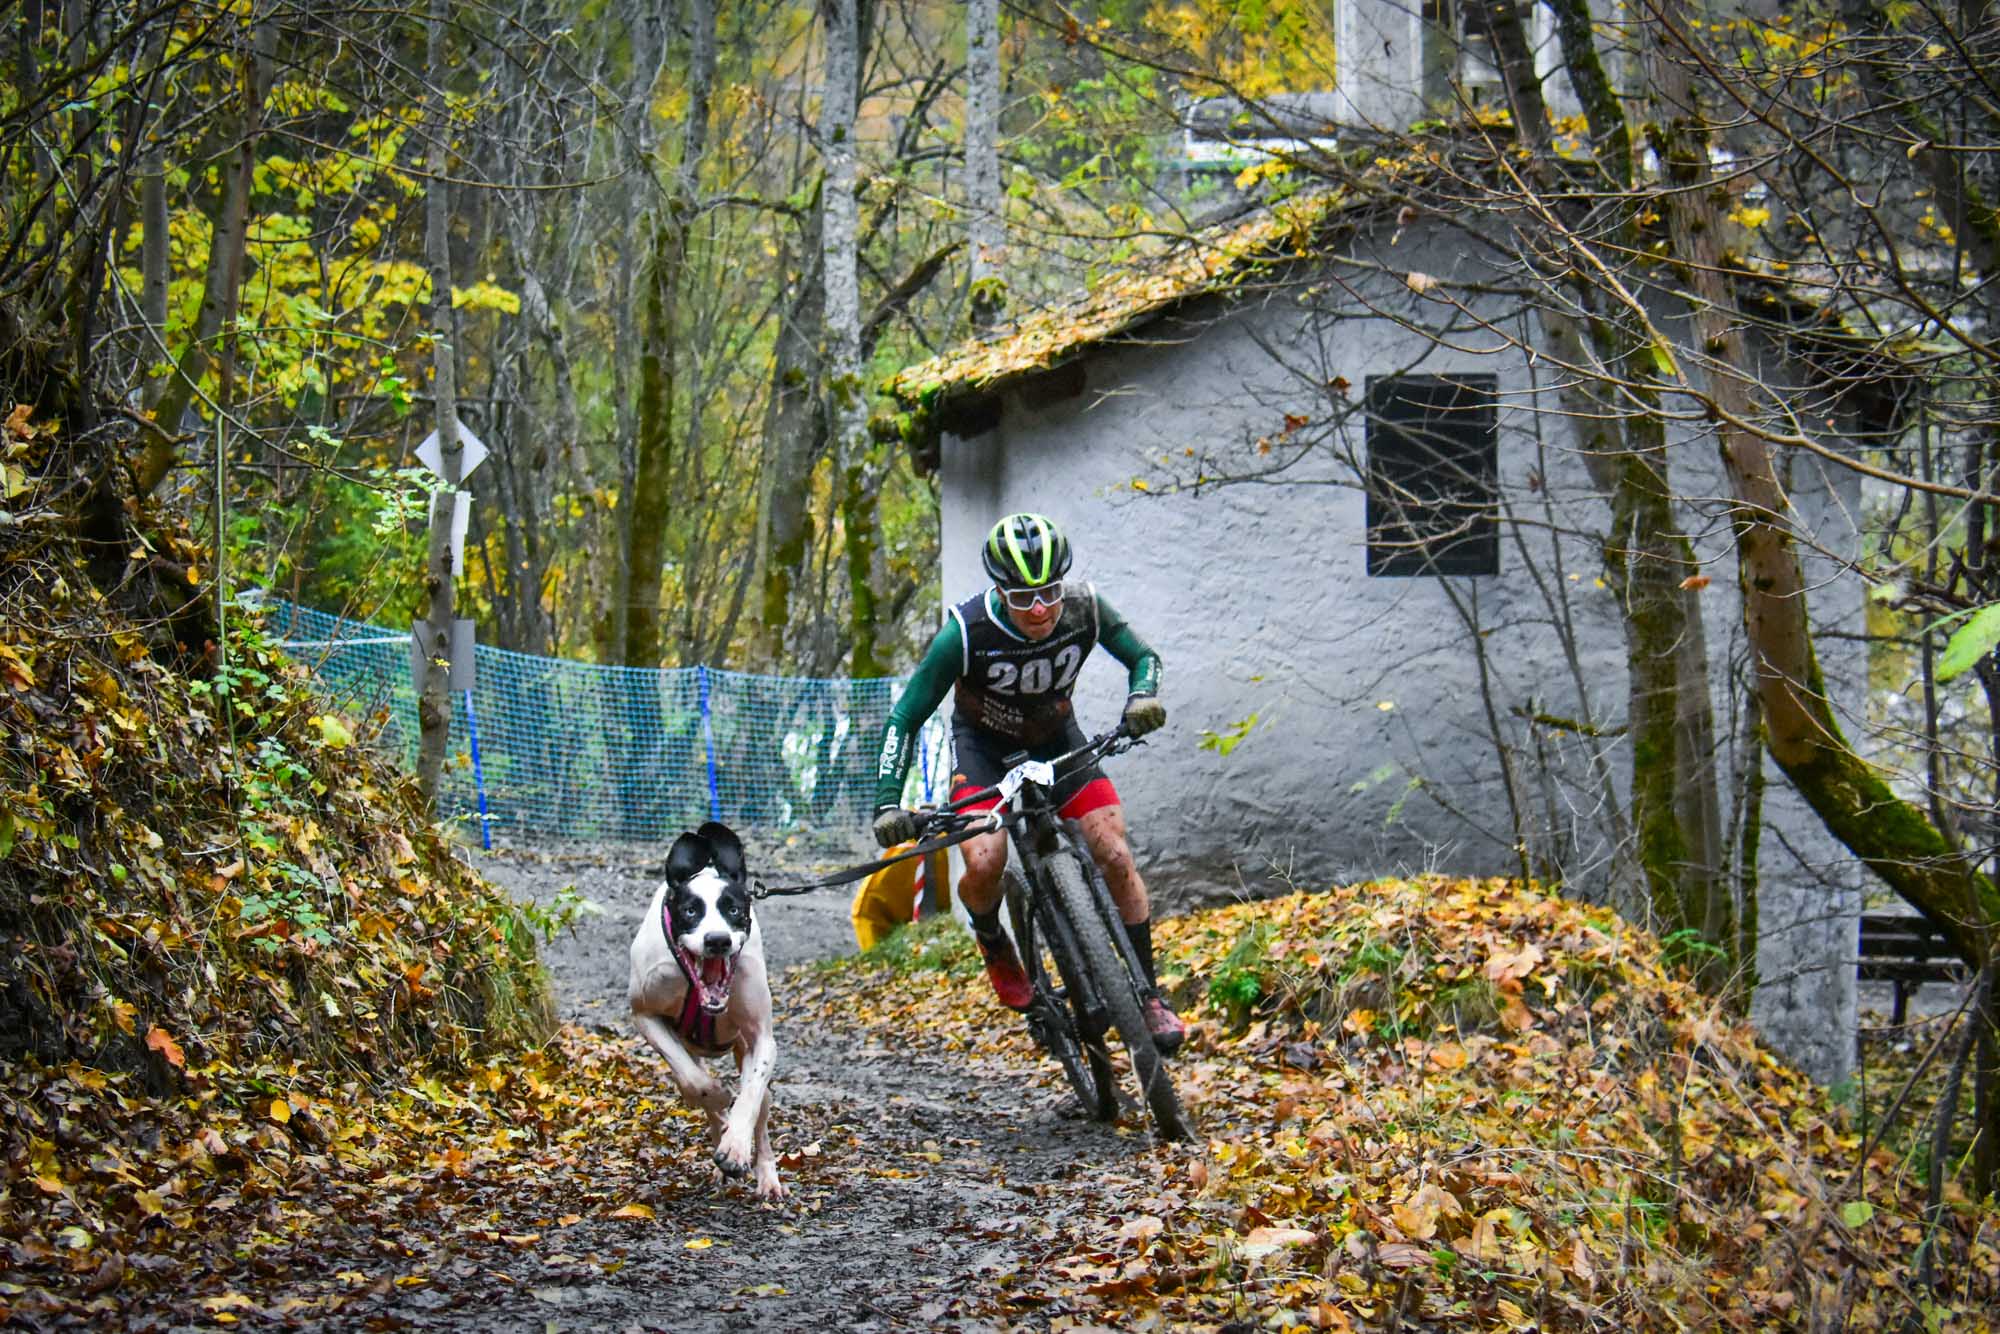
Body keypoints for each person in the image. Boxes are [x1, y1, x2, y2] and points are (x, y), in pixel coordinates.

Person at [869, 512, 1185, 1052]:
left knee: (1114, 852)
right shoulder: (964, 632)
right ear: (999, 590)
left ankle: (1150, 995)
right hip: (984, 750)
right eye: (1022, 598)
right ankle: (993, 937)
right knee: (986, 861)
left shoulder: (1084, 606)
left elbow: (1143, 657)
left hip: (1059, 740)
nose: (1039, 609)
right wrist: (886, 803)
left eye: (1047, 593)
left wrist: (1142, 697)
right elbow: (906, 715)